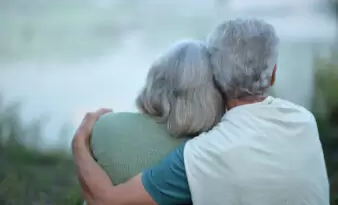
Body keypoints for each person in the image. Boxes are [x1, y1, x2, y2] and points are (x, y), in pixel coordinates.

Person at [72, 18, 330, 205]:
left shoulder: (205, 154)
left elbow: (105, 200)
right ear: (273, 74)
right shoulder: (304, 121)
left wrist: (79, 145)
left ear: (214, 78)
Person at [80, 40, 225, 205]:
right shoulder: (211, 149)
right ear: (213, 96)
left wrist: (78, 144)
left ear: (155, 79)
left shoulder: (107, 126)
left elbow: (91, 192)